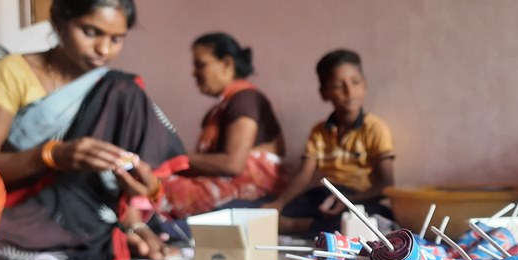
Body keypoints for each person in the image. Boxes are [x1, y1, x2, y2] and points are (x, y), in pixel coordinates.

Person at [0, 0, 188, 260]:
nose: (104, 49)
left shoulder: (118, 90)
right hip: (34, 209)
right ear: (59, 20)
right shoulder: (12, 72)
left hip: (99, 212)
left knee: (124, 88)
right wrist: (52, 155)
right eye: (91, 32)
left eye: (116, 39)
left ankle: (116, 238)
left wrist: (144, 192)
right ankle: (102, 246)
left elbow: (133, 180)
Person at [265, 49, 395, 235]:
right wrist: (278, 204)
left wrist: (349, 199)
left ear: (364, 85)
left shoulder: (375, 128)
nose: (349, 91)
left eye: (355, 82)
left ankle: (295, 227)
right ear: (324, 93)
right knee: (278, 210)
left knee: (375, 219)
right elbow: (303, 176)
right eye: (337, 86)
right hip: (324, 195)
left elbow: (386, 185)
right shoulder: (319, 131)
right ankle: (306, 226)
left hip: (357, 197)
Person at [161, 32, 286, 218]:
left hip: (254, 191)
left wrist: (173, 156)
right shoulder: (219, 109)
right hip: (227, 186)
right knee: (153, 180)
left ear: (227, 64)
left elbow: (232, 164)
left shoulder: (245, 99)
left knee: (160, 190)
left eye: (200, 65)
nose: (194, 73)